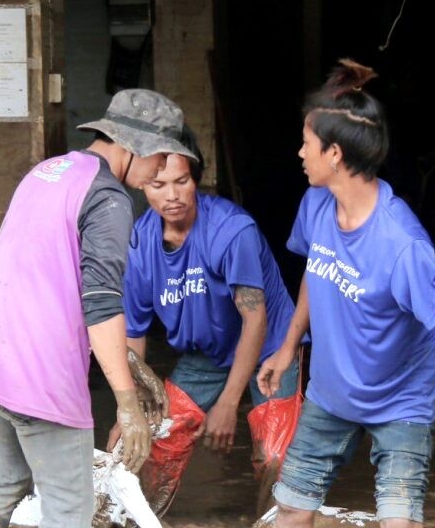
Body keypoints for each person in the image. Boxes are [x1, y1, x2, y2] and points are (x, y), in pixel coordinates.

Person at [0, 89, 196, 528]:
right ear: (133, 145)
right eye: (158, 157)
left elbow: (47, 277)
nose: (159, 171)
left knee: (8, 475)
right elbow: (102, 303)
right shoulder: (109, 200)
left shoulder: (49, 172)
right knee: (69, 505)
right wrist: (127, 403)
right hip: (38, 369)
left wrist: (130, 362)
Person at [256, 59, 435, 528]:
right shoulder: (316, 205)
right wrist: (288, 346)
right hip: (331, 392)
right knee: (291, 508)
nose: (299, 153)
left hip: (400, 401)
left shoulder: (402, 245)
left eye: (307, 143)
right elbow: (316, 268)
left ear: (335, 154)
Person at [111, 125, 299, 454]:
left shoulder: (231, 231)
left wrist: (228, 403)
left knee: (275, 455)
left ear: (195, 179)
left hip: (270, 348)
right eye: (159, 184)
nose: (171, 196)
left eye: (181, 182)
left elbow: (256, 321)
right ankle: (147, 508)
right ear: (144, 183)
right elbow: (133, 332)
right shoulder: (140, 242)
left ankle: (279, 507)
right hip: (209, 354)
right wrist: (130, 408)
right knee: (156, 442)